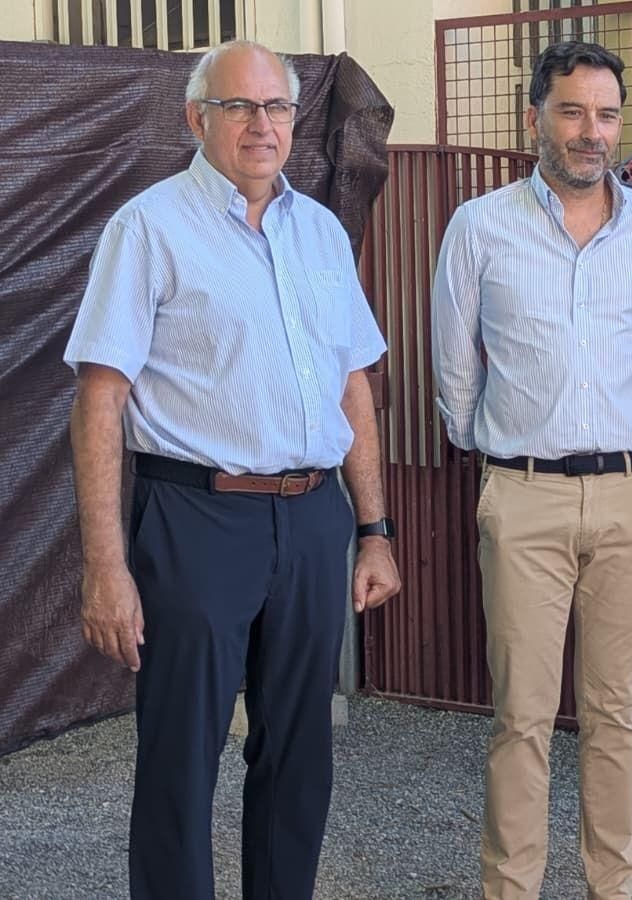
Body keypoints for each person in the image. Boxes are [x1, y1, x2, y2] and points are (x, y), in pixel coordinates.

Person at [64, 40, 400, 900]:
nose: (262, 125)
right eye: (239, 107)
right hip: (196, 521)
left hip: (314, 516)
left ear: (295, 121)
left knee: (298, 754)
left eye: (277, 107)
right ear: (196, 118)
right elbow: (99, 400)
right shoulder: (148, 228)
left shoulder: (320, 231)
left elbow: (353, 384)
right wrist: (106, 566)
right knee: (180, 755)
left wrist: (374, 530)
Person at [430, 40, 632, 900]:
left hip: (630, 498)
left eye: (607, 114)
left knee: (617, 713)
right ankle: (513, 889)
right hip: (523, 494)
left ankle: (610, 888)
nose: (591, 132)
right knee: (522, 718)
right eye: (573, 111)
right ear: (534, 116)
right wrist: (505, 452)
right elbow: (454, 373)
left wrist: (631, 447)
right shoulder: (479, 226)